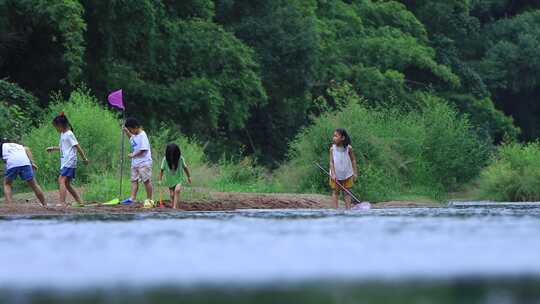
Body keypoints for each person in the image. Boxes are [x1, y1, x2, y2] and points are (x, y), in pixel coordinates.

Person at [46, 112, 89, 207]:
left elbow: (78, 147)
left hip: (69, 160)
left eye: (56, 127)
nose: (56, 129)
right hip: (65, 161)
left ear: (61, 125)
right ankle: (80, 202)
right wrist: (53, 148)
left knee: (61, 179)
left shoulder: (69, 134)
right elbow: (64, 148)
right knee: (67, 183)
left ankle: (62, 202)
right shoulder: (63, 134)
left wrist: (84, 159)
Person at [1, 138, 46, 206]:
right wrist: (32, 162)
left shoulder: (2, 145)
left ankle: (10, 206)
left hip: (12, 163)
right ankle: (45, 204)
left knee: (7, 184)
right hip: (25, 162)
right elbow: (27, 149)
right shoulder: (17, 145)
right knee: (34, 185)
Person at [122, 117, 154, 206]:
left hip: (144, 162)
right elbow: (132, 140)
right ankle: (132, 198)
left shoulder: (143, 135)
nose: (130, 131)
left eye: (130, 129)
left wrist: (133, 155)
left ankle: (149, 199)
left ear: (136, 127)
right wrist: (126, 132)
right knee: (133, 180)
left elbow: (143, 149)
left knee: (146, 180)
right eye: (129, 130)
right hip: (135, 163)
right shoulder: (134, 135)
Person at [329, 128, 358, 209]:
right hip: (335, 174)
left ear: (342, 138)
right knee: (335, 192)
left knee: (347, 192)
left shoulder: (349, 148)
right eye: (333, 136)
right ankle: (335, 210)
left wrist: (355, 173)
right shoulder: (332, 149)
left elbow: (353, 160)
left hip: (347, 174)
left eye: (336, 136)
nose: (333, 138)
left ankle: (348, 210)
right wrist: (333, 174)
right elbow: (331, 162)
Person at [159, 143, 192, 209]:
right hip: (170, 180)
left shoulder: (180, 159)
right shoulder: (165, 159)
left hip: (178, 179)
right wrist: (160, 179)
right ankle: (174, 206)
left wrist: (189, 177)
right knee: (172, 195)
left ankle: (174, 208)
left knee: (177, 190)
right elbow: (161, 170)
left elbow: (185, 168)